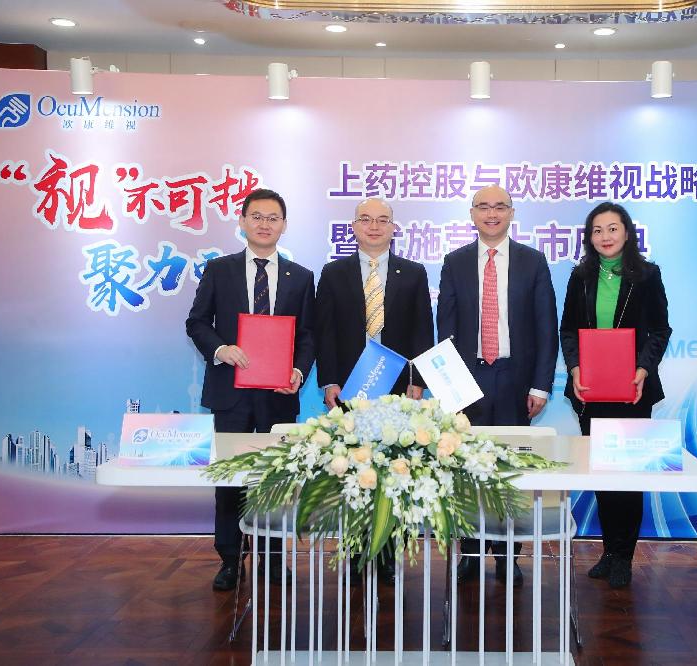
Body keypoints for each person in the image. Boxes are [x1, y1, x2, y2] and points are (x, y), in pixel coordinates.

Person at [186, 188, 316, 591]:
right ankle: (230, 558)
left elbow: (307, 335)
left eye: (273, 218)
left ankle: (273, 559)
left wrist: (298, 370)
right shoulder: (219, 270)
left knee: (275, 479)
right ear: (242, 221)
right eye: (256, 216)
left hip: (278, 395)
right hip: (231, 393)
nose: (264, 224)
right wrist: (220, 350)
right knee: (230, 479)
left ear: (284, 225)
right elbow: (197, 322)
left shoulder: (300, 276)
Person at [437, 185, 558, 586]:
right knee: (465, 471)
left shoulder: (532, 261)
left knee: (511, 473)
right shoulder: (455, 262)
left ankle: (508, 557)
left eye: (500, 207)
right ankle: (471, 554)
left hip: (515, 379)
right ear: (472, 214)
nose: (492, 214)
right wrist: (449, 389)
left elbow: (546, 327)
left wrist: (541, 386)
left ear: (511, 213)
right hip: (467, 379)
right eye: (483, 207)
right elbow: (445, 327)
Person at [315, 197, 434, 582]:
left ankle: (387, 552)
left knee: (395, 468)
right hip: (352, 386)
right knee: (354, 468)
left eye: (383, 220)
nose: (374, 226)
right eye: (366, 219)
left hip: (398, 385)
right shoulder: (333, 272)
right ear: (354, 227)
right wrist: (329, 380)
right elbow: (325, 331)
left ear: (393, 228)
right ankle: (355, 550)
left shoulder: (412, 272)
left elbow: (423, 330)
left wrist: (418, 381)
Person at [560, 201, 671, 589]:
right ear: (589, 238)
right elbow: (568, 330)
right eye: (597, 230)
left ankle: (624, 555)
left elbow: (660, 331)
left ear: (626, 232)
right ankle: (609, 551)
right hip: (592, 391)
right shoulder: (581, 276)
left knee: (627, 475)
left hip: (632, 390)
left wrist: (643, 369)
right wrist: (575, 368)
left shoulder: (647, 275)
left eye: (612, 228)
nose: (605, 236)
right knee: (604, 475)